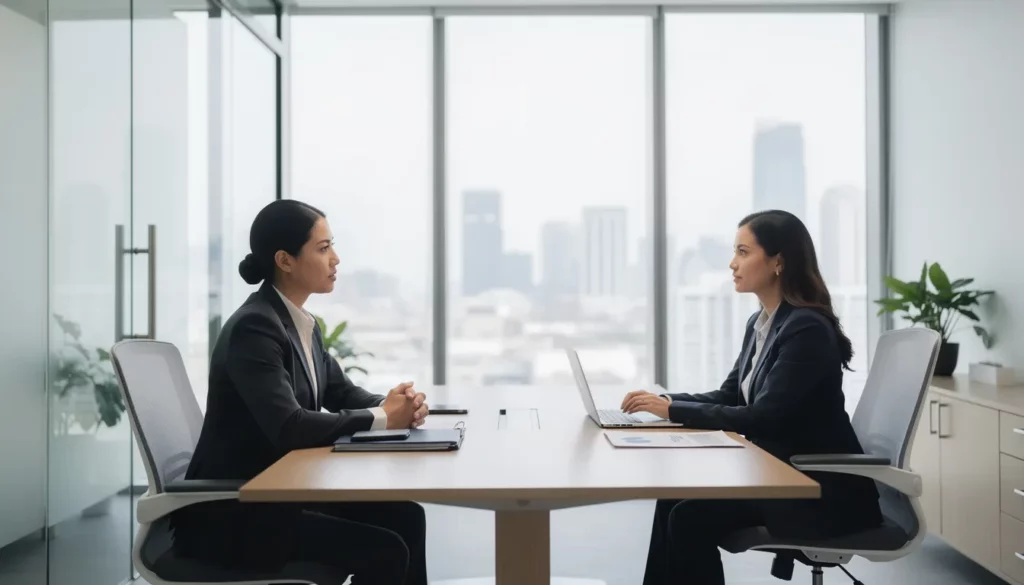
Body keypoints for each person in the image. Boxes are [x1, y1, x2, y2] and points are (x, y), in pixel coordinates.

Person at [172, 199, 429, 585]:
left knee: (406, 516)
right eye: (323, 249)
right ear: (285, 260)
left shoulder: (298, 322)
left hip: (278, 498)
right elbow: (289, 426)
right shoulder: (254, 328)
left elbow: (341, 392)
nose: (336, 259)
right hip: (233, 515)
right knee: (385, 547)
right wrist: (383, 417)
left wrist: (396, 406)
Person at [621, 210, 883, 585]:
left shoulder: (806, 328)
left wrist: (673, 409)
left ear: (778, 261)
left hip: (820, 491)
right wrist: (661, 402)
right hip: (782, 475)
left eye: (743, 252)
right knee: (672, 500)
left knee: (689, 517)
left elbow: (762, 417)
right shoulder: (763, 322)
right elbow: (731, 395)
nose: (732, 263)